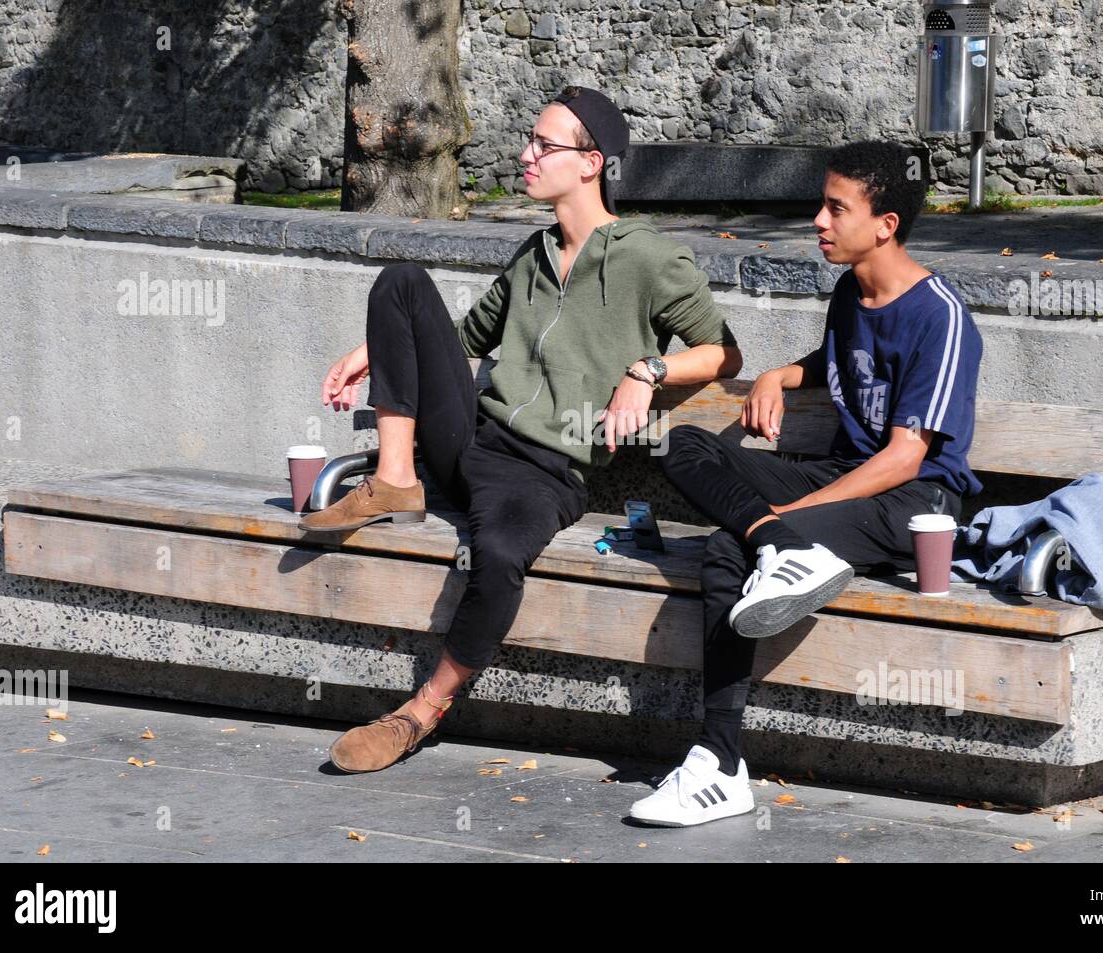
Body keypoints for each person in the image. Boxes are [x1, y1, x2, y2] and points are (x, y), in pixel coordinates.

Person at [303, 85, 743, 774]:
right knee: (401, 280)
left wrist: (647, 369)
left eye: (543, 144)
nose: (524, 154)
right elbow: (466, 338)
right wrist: (376, 349)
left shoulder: (647, 257)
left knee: (503, 553)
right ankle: (394, 479)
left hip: (544, 471)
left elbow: (724, 351)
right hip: (471, 440)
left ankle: (419, 713)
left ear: (591, 162)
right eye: (530, 141)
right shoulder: (532, 255)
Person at [630, 140, 983, 826]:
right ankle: (780, 543)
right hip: (845, 476)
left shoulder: (941, 315)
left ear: (885, 224)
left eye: (835, 207)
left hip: (913, 503)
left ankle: (719, 763)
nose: (817, 221)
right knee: (684, 443)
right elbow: (833, 361)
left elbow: (907, 458)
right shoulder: (852, 291)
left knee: (729, 550)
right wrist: (776, 375)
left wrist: (794, 509)